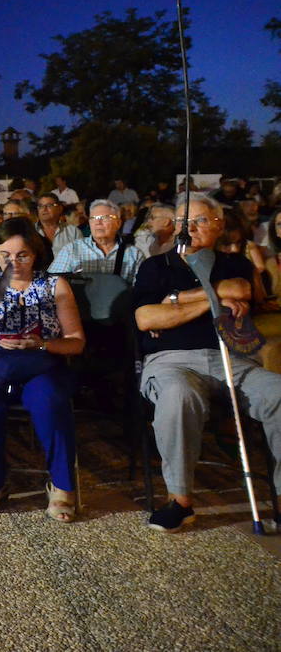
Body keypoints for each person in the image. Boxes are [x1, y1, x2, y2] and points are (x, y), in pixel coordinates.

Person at [132, 196, 281, 531]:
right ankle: (180, 501)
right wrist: (212, 299)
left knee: (278, 392)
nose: (188, 228)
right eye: (182, 221)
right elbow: (145, 317)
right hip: (172, 361)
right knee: (179, 395)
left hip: (233, 359)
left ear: (218, 225)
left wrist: (174, 303)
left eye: (199, 221)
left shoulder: (234, 263)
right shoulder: (156, 266)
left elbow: (240, 289)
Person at [0, 216, 86, 522]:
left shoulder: (54, 285)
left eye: (22, 255)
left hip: (39, 364)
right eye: (6, 256)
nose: (13, 262)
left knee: (49, 400)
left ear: (35, 254)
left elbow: (76, 342)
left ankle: (61, 486)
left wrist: (41, 344)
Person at [49, 198, 144, 285]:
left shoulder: (134, 255)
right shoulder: (71, 250)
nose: (98, 222)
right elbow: (51, 284)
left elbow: (141, 292)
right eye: (93, 218)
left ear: (118, 223)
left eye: (105, 218)